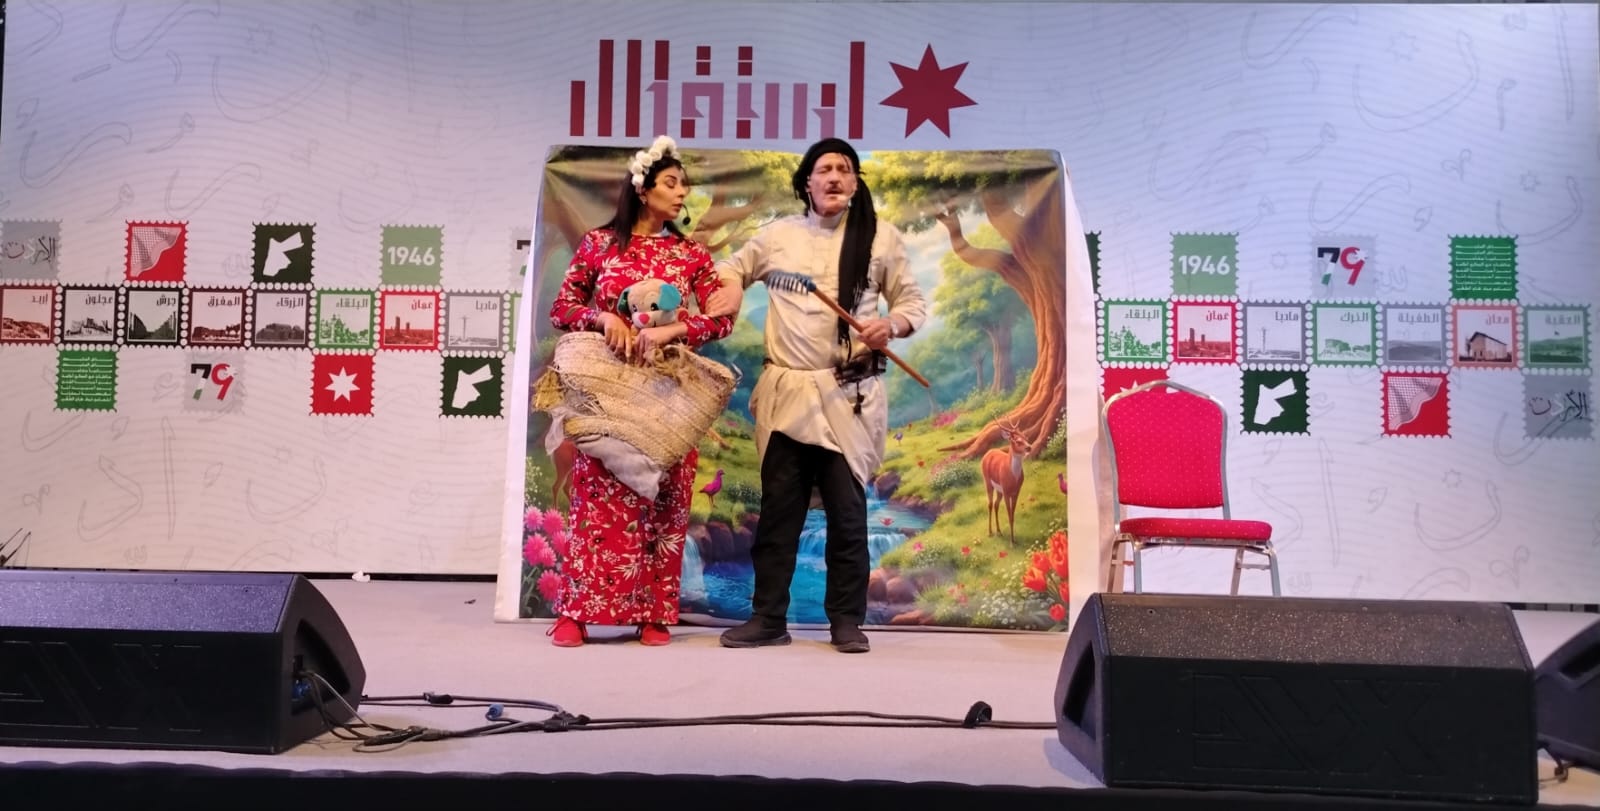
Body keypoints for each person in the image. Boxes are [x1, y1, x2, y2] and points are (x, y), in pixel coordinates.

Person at [705, 138, 927, 653]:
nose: (834, 177)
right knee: (779, 515)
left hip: (847, 396)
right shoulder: (777, 236)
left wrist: (890, 325)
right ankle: (768, 618)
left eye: (844, 169)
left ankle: (846, 621)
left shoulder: (881, 238)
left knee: (848, 517)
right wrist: (732, 285)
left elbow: (911, 302)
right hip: (787, 395)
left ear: (854, 182)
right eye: (824, 169)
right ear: (807, 182)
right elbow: (733, 267)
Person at [545, 135, 733, 647]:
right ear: (643, 189)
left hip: (669, 394)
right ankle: (577, 613)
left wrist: (676, 330)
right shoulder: (599, 245)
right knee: (598, 502)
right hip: (607, 393)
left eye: (684, 186)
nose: (681, 193)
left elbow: (722, 318)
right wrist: (602, 317)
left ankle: (655, 613)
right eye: (672, 183)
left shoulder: (690, 255)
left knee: (665, 502)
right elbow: (563, 309)